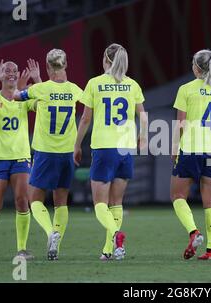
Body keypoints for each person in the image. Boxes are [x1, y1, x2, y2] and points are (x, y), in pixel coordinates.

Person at [74, 43, 147, 261]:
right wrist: (142, 138)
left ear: (106, 59)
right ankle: (110, 250)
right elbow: (143, 116)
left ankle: (115, 236)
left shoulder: (95, 83)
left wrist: (77, 145)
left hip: (104, 148)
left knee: (100, 205)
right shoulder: (132, 85)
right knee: (116, 204)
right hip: (125, 149)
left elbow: (86, 118)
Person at [16, 49, 83, 261]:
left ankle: (49, 233)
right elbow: (89, 106)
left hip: (45, 153)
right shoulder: (74, 90)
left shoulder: (40, 89)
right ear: (66, 65)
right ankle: (56, 245)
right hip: (67, 153)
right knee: (61, 202)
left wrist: (29, 84)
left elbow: (18, 96)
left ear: (47, 67)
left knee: (34, 199)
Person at [171, 49, 211, 261]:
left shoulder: (186, 89)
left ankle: (194, 232)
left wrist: (174, 147)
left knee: (178, 196)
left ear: (197, 67)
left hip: (191, 149)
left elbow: (181, 123)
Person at [0, 58, 40, 259]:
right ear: (1, 74)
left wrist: (37, 79)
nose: (12, 73)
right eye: (7, 70)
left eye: (15, 70)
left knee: (23, 201)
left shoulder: (22, 98)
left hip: (20, 157)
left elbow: (42, 104)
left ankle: (22, 249)